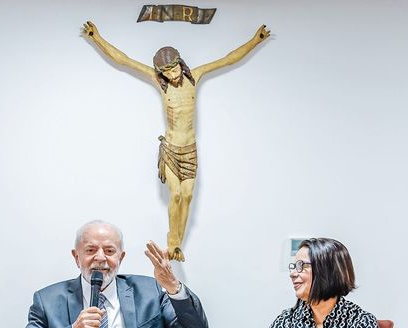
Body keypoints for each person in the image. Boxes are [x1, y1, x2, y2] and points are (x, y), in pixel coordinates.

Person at [82, 21, 269, 262]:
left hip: (189, 149)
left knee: (188, 195)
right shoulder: (160, 83)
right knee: (176, 195)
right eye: (166, 72)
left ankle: (178, 243)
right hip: (170, 148)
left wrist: (256, 40)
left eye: (174, 69)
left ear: (180, 64)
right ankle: (174, 242)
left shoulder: (195, 77)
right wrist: (96, 37)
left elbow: (227, 59)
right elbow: (124, 60)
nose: (171, 75)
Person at [15, 220, 208, 328]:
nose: (100, 258)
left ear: (120, 258)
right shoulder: (47, 300)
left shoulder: (149, 292)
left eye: (109, 251)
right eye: (90, 250)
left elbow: (194, 327)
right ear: (76, 257)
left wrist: (172, 285)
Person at [250, 238, 380, 328]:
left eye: (301, 266)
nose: (292, 273)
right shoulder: (287, 319)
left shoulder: (362, 321)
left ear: (328, 271)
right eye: (293, 266)